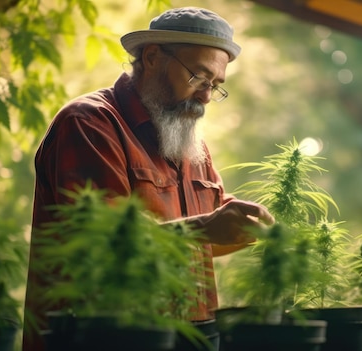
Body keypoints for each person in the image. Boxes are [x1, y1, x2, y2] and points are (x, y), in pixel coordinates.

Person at [22, 7, 274, 351]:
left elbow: (211, 228)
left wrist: (249, 225)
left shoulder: (187, 140)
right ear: (153, 57)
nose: (205, 96)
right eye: (198, 77)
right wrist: (203, 228)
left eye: (215, 86)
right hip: (100, 340)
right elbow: (105, 243)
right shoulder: (88, 124)